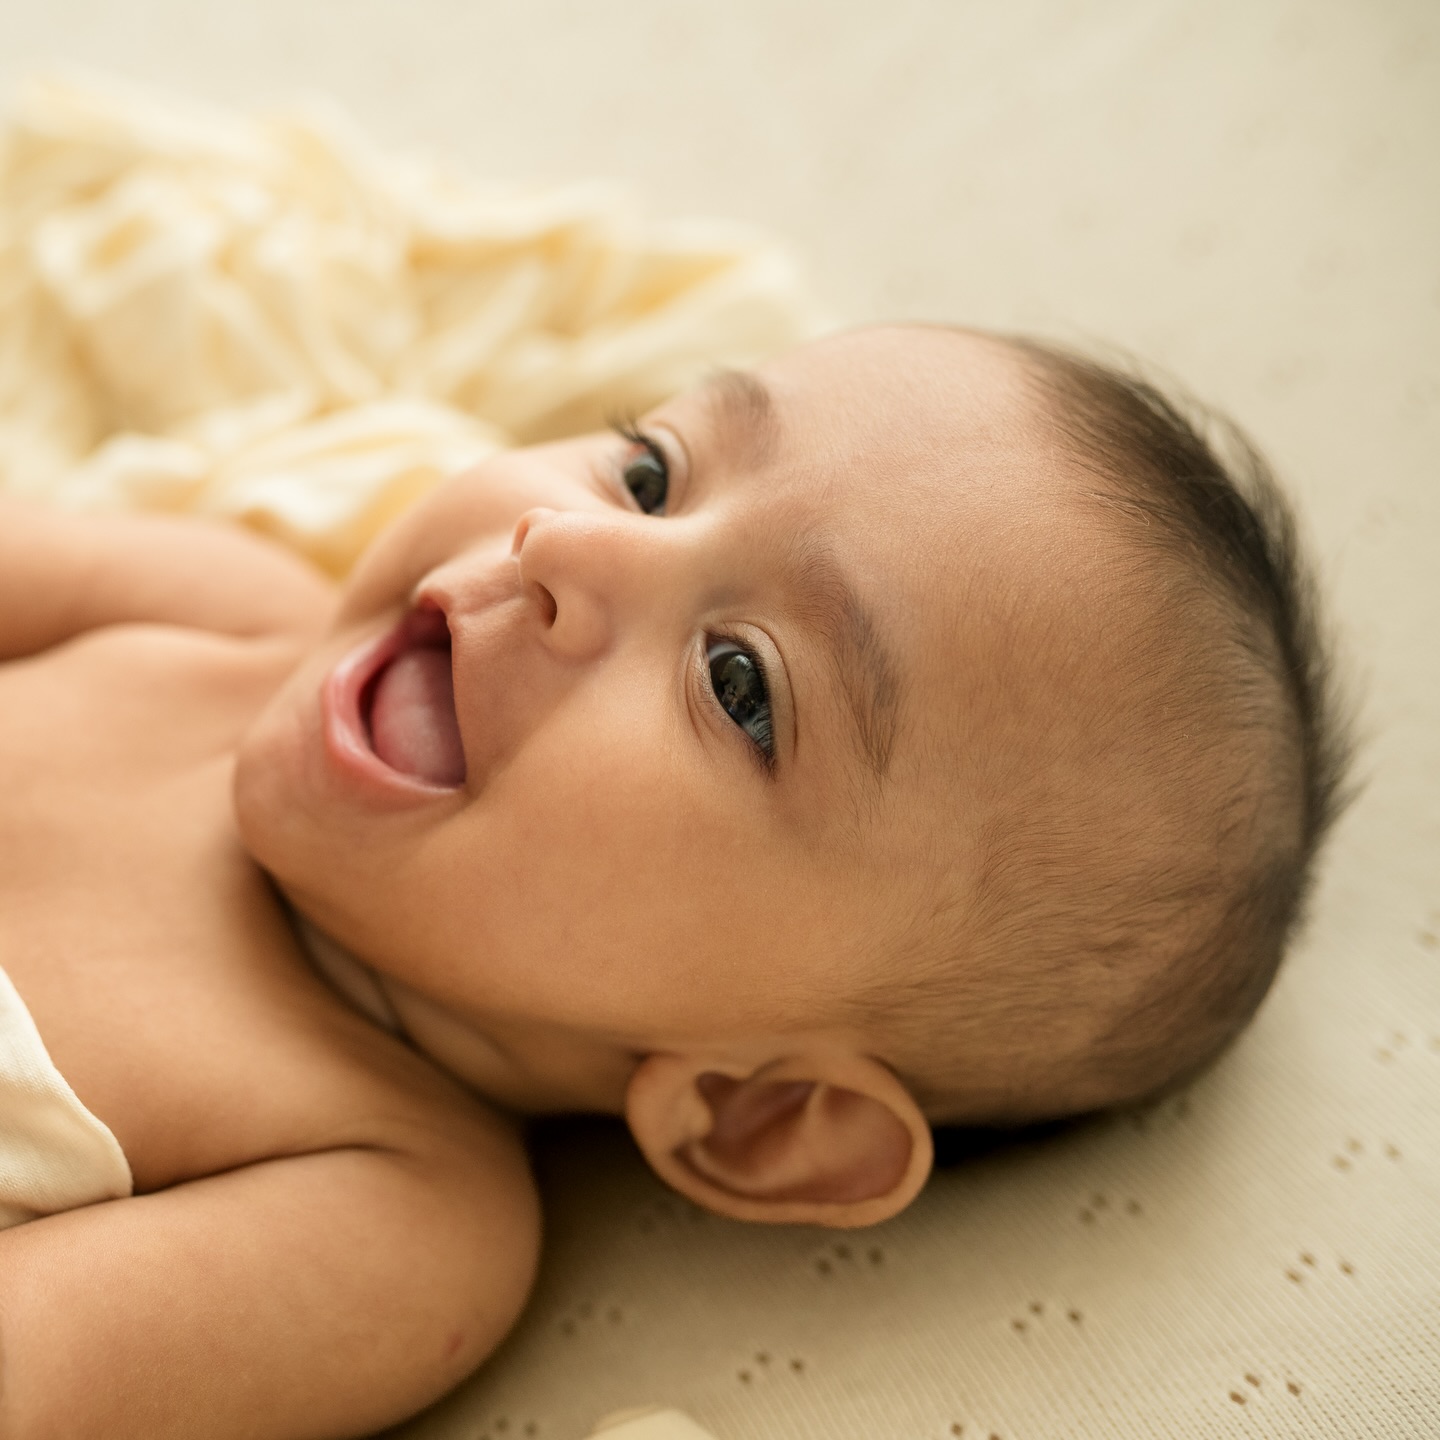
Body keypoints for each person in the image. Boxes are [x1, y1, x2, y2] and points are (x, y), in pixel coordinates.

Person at [0, 325, 1350, 1437]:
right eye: (650, 474)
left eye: (740, 685)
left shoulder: (388, 1217)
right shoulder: (208, 604)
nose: (560, 546)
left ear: (765, 1111)